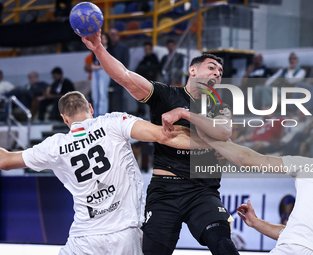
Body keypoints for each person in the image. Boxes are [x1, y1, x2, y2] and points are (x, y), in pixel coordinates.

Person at [79, 30, 239, 255]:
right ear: (192, 70)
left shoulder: (220, 106)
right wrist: (98, 48)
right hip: (165, 190)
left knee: (223, 244)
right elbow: (124, 76)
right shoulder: (165, 95)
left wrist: (184, 113)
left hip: (203, 191)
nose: (217, 73)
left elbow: (223, 132)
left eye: (220, 71)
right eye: (212, 67)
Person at [0, 91, 197, 255]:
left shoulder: (53, 146)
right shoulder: (113, 122)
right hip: (124, 234)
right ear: (91, 108)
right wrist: (214, 142)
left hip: (84, 237)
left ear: (64, 118)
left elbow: (6, 161)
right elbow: (163, 135)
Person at [196, 127, 313, 255]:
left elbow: (246, 159)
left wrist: (210, 140)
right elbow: (299, 235)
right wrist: (256, 222)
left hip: (293, 249)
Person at [108, 28, 130, 112]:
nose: (113, 37)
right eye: (111, 35)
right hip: (107, 77)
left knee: (118, 98)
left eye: (115, 35)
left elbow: (126, 63)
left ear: (118, 36)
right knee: (107, 98)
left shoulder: (123, 48)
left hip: (119, 77)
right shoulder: (106, 48)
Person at [91, 32, 112, 117]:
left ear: (107, 40)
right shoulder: (95, 49)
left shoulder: (110, 50)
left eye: (104, 38)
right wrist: (98, 67)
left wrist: (98, 67)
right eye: (101, 38)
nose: (102, 40)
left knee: (102, 93)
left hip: (104, 72)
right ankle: (95, 115)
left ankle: (103, 115)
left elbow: (108, 64)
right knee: (95, 95)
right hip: (95, 72)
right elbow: (92, 65)